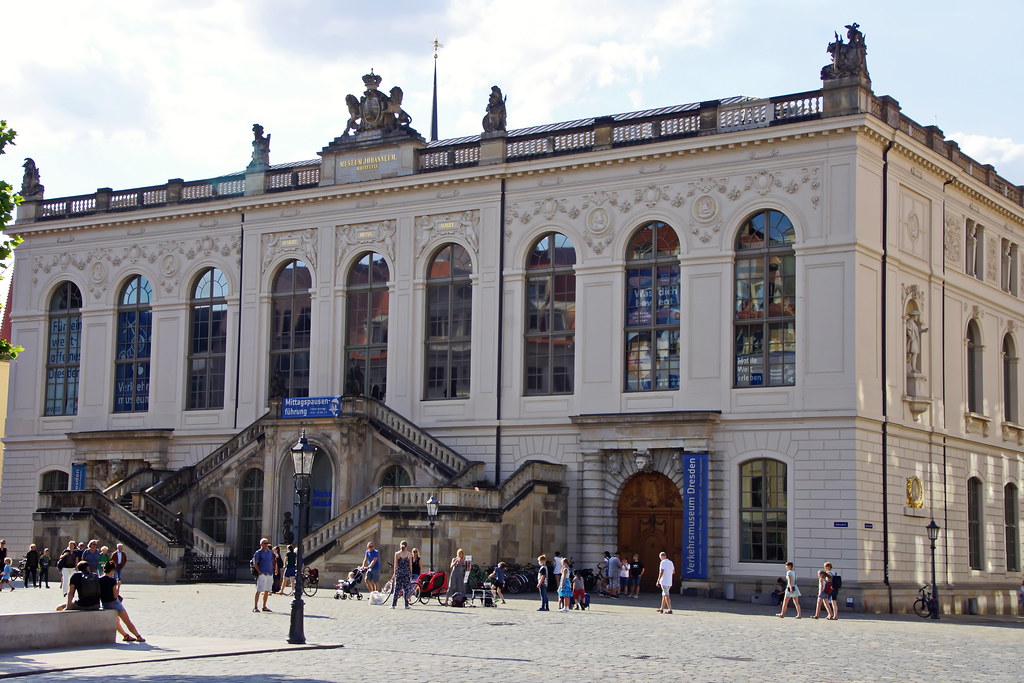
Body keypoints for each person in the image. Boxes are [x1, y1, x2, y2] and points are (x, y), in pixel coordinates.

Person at [99, 561, 145, 642]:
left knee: (116, 621)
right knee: (127, 621)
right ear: (112, 570)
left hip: (105, 604)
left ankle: (126, 635)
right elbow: (115, 595)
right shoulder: (112, 581)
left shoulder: (99, 579)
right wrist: (118, 585)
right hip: (114, 603)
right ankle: (138, 636)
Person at [252, 538, 275, 613]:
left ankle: (264, 606)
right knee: (259, 590)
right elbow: (255, 563)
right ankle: (255, 606)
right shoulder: (258, 553)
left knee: (267, 590)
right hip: (262, 572)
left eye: (267, 543)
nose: (266, 545)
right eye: (265, 543)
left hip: (269, 572)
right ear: (261, 544)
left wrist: (273, 569)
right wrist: (259, 572)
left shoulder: (270, 552)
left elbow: (271, 561)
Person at [390, 540, 413, 609]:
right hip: (406, 572)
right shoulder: (409, 554)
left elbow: (395, 565)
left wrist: (394, 573)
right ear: (406, 546)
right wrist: (411, 573)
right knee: (406, 589)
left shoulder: (397, 554)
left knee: (397, 588)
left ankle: (393, 604)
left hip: (399, 572)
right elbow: (410, 565)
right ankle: (406, 605)